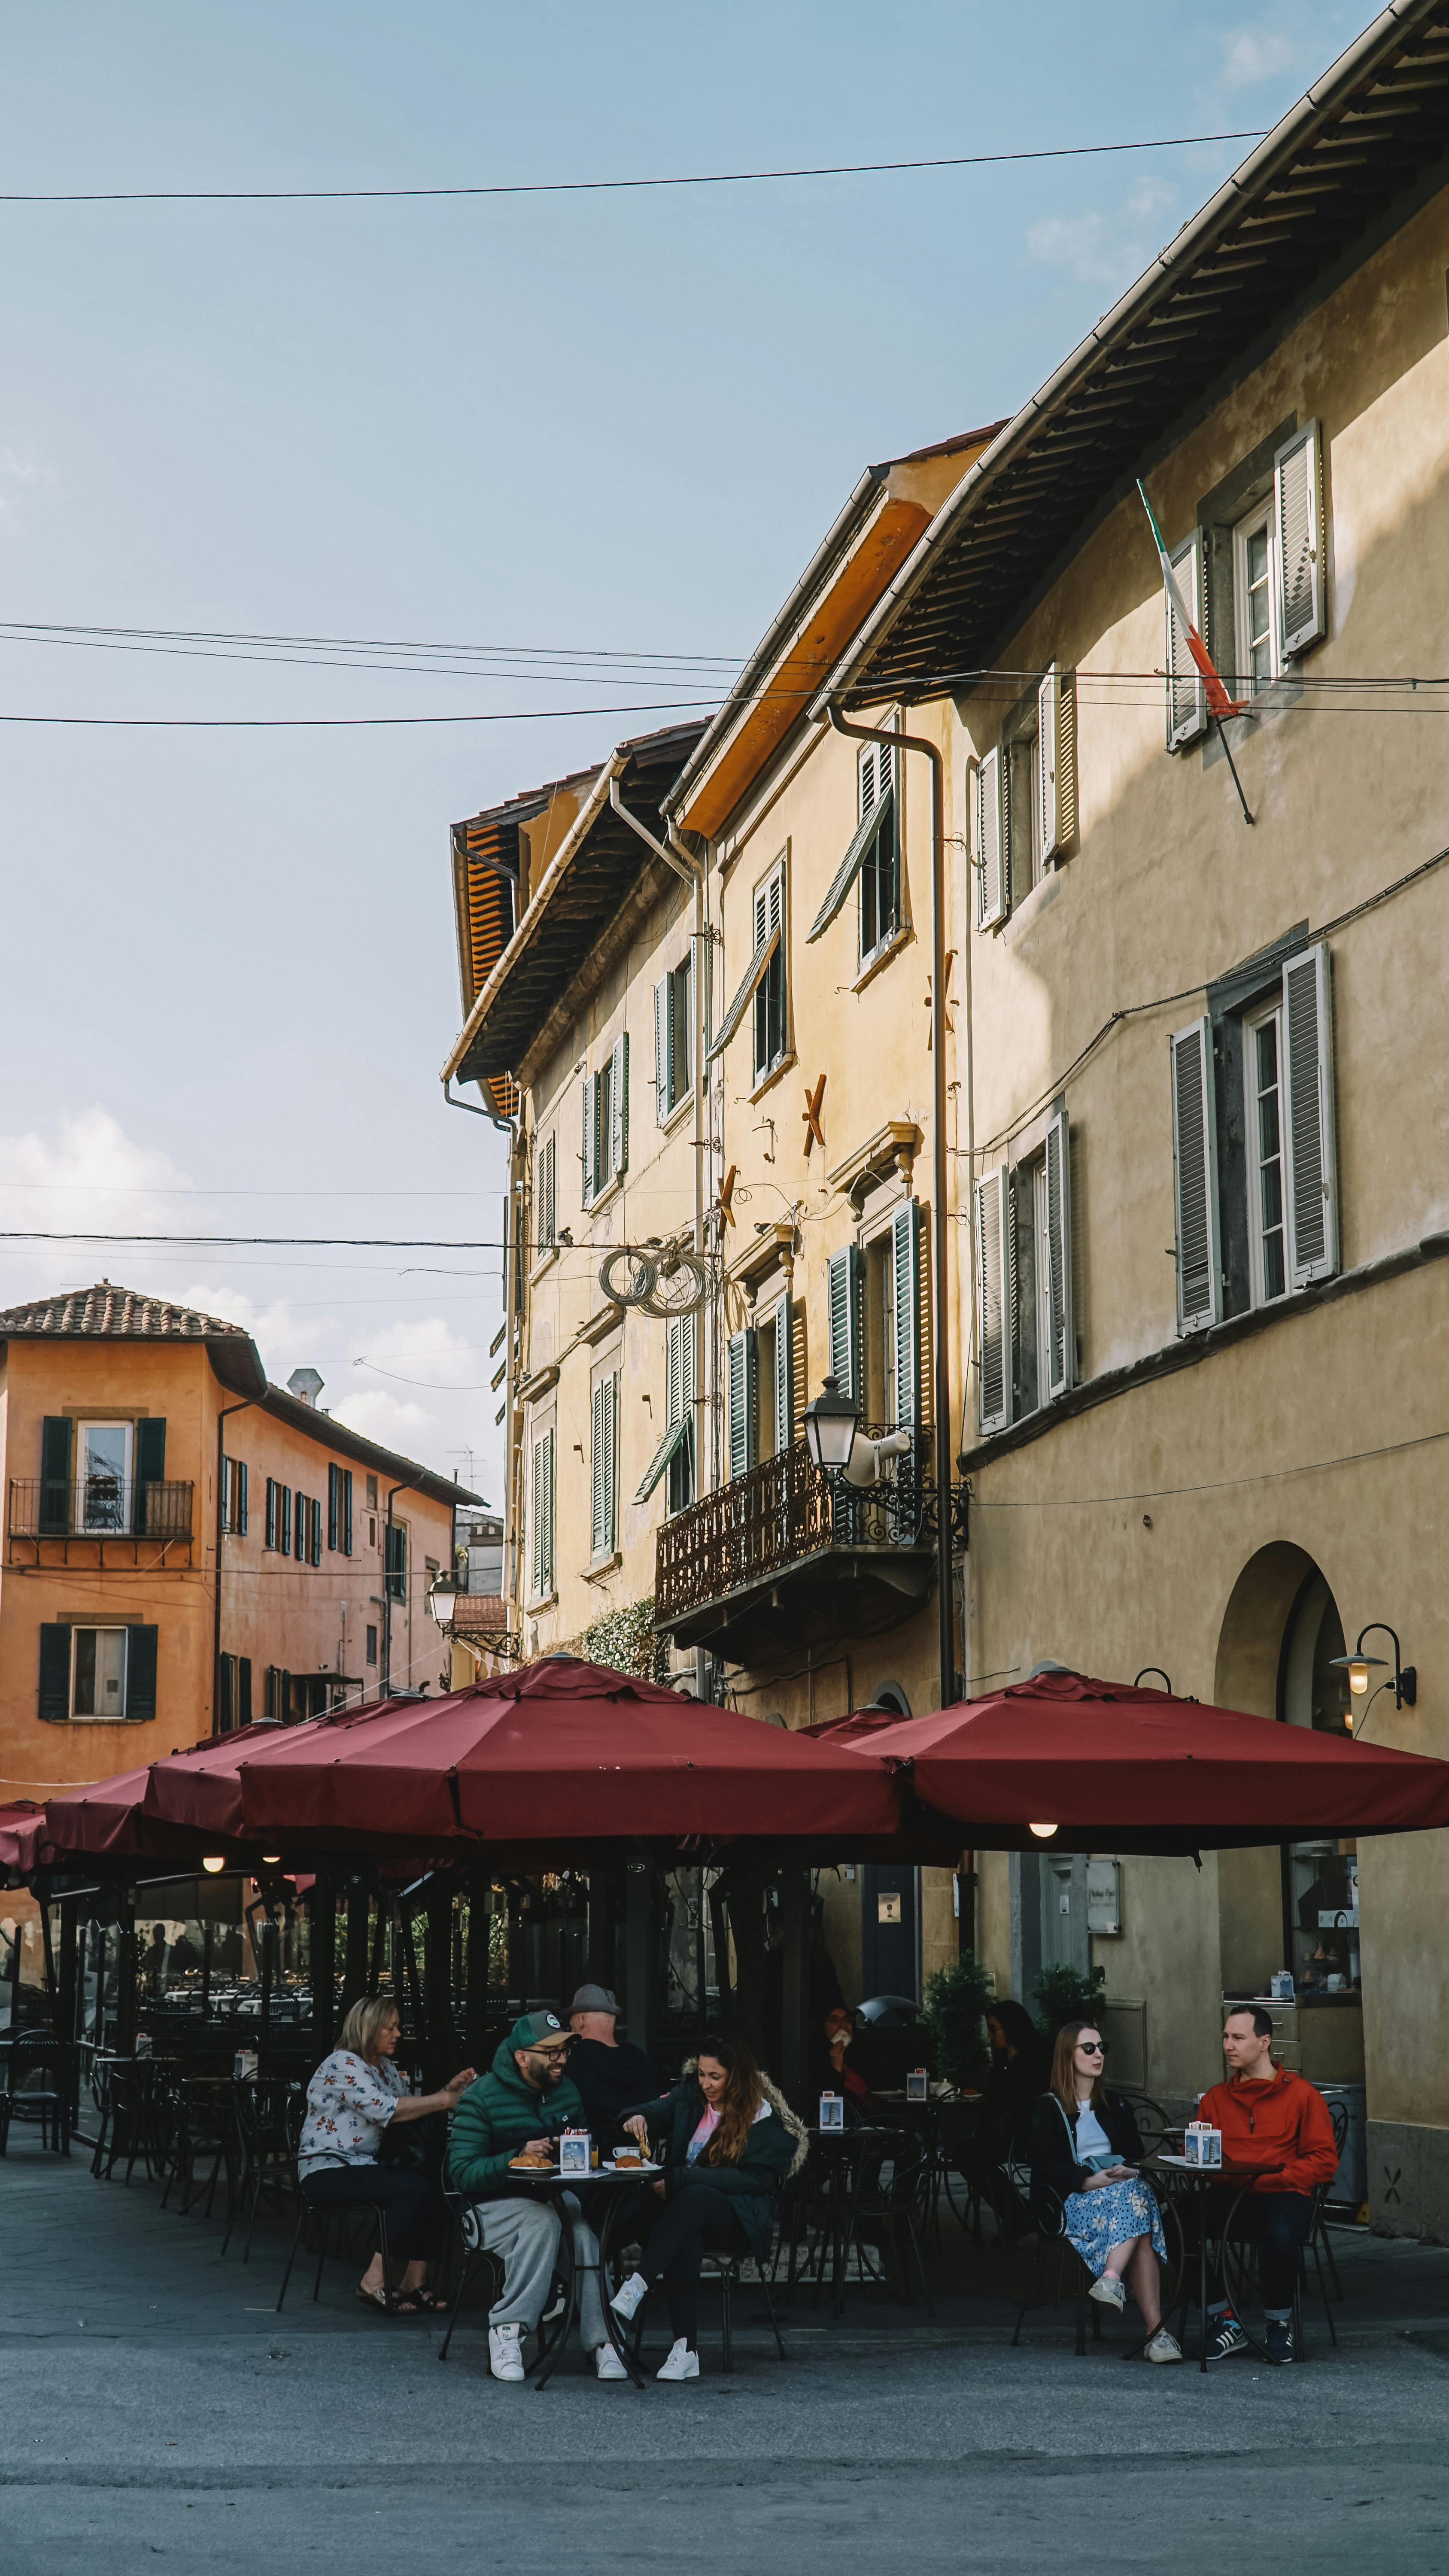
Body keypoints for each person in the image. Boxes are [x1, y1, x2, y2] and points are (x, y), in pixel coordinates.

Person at [608, 2032, 806, 2381]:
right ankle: (685, 2351)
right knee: (682, 2231)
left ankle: (637, 2284)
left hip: (737, 2219)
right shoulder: (691, 2096)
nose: (706, 2083)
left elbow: (752, 2180)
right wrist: (638, 2116)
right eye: (701, 2074)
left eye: (715, 2076)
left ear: (736, 2076)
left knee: (695, 2197)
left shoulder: (763, 2118)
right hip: (685, 2219)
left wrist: (680, 2179)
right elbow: (655, 2110)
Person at [447, 2008, 627, 2384]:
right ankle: (507, 2328)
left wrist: (574, 2157)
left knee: (583, 2237)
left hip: (552, 2199)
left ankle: (605, 2340)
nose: (561, 2059)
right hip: (486, 2208)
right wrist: (515, 2157)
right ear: (522, 2057)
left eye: (565, 2051)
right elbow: (461, 2172)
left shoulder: (567, 2092)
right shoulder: (481, 2097)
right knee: (544, 2223)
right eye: (551, 2052)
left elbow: (582, 2152)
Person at [297, 1995, 474, 2315]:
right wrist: (443, 2101)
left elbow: (409, 2110)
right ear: (368, 2028)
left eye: (398, 2027)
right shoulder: (343, 2064)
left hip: (366, 2166)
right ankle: (373, 2280)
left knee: (440, 2182)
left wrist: (447, 2092)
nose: (398, 2034)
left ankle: (414, 2281)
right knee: (412, 2188)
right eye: (390, 2028)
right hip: (328, 2169)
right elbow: (386, 2110)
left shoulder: (386, 2068)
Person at [1185, 2004, 1340, 2365]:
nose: (1228, 2045)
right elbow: (1199, 2163)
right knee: (1172, 2223)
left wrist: (1275, 2177)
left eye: (1238, 2038)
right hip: (1231, 2194)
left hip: (1285, 2193)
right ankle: (1223, 2319)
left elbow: (1323, 2161)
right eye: (1226, 2037)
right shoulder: (1215, 2098)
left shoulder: (1301, 2094)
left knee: (1280, 2231)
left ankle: (1278, 2323)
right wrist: (1198, 2159)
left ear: (1264, 2042)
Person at [1024, 2020, 1182, 2363]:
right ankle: (1156, 2334)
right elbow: (1040, 2162)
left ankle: (1112, 2280)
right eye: (1089, 2048)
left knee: (1136, 2194)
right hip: (1072, 2202)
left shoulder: (1115, 2105)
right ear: (1067, 2055)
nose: (1098, 2055)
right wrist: (1084, 2180)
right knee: (1141, 2211)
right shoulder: (1048, 2107)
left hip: (1120, 2197)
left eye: (1101, 2048)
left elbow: (1136, 2156)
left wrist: (1129, 2170)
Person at [954, 1999, 1051, 2236]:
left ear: (1011, 2026)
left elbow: (1029, 2096)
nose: (990, 2035)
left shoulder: (1040, 2053)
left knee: (972, 2156)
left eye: (994, 2028)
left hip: (1032, 2132)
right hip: (1002, 2131)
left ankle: (1019, 2216)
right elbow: (995, 2092)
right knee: (967, 2155)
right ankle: (1017, 2214)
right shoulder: (1002, 2057)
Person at [565, 1984, 664, 2149]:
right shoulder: (638, 2058)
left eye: (572, 2018)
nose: (570, 2023)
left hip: (588, 2153)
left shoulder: (573, 2058)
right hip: (636, 2154)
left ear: (580, 2020)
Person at [813, 2003, 871, 2108]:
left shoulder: (862, 2052)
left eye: (847, 2020)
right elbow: (829, 2105)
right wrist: (836, 2066)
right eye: (835, 2021)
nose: (843, 2026)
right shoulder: (814, 2058)